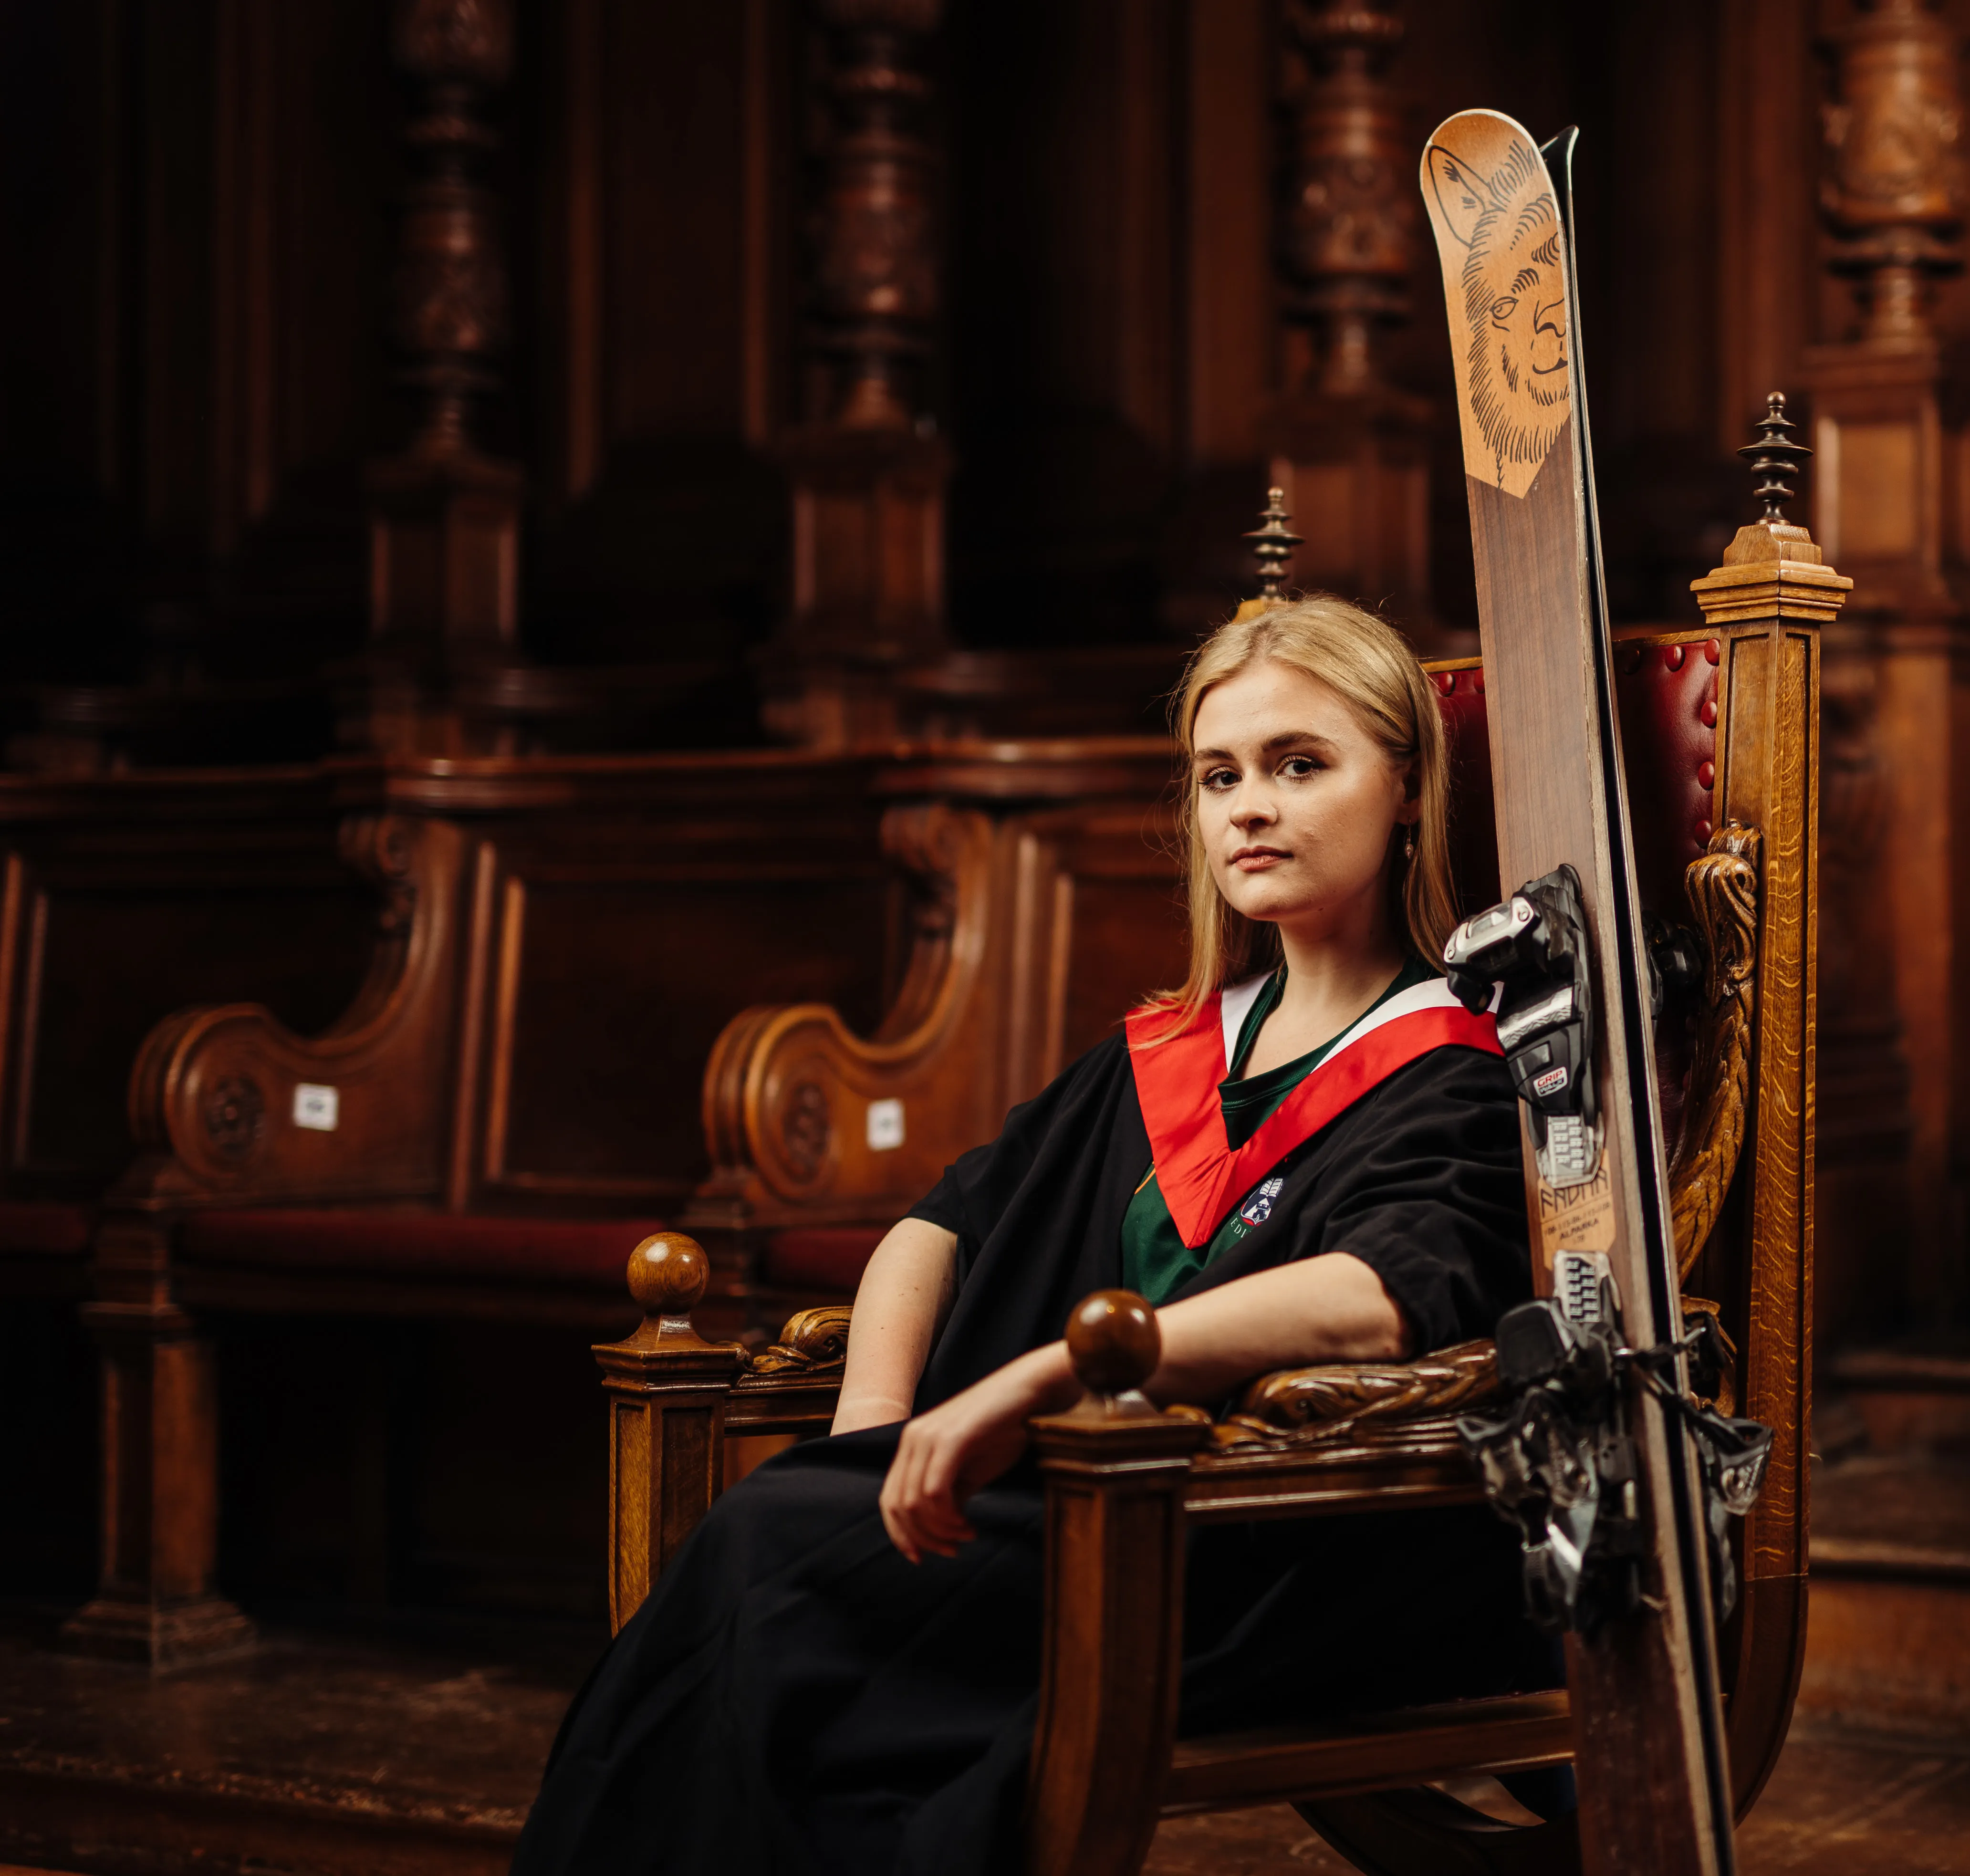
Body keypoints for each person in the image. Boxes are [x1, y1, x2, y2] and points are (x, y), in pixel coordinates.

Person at [513, 596, 1547, 1875]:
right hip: (1077, 1511)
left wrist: (1037, 1378)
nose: (1250, 808)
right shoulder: (1169, 1049)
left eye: (1299, 764)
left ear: (1404, 787)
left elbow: (1379, 1297)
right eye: (1219, 774)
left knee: (768, 1563)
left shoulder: (1450, 1063)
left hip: (1252, 1542)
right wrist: (877, 1438)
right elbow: (934, 1229)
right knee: (788, 1547)